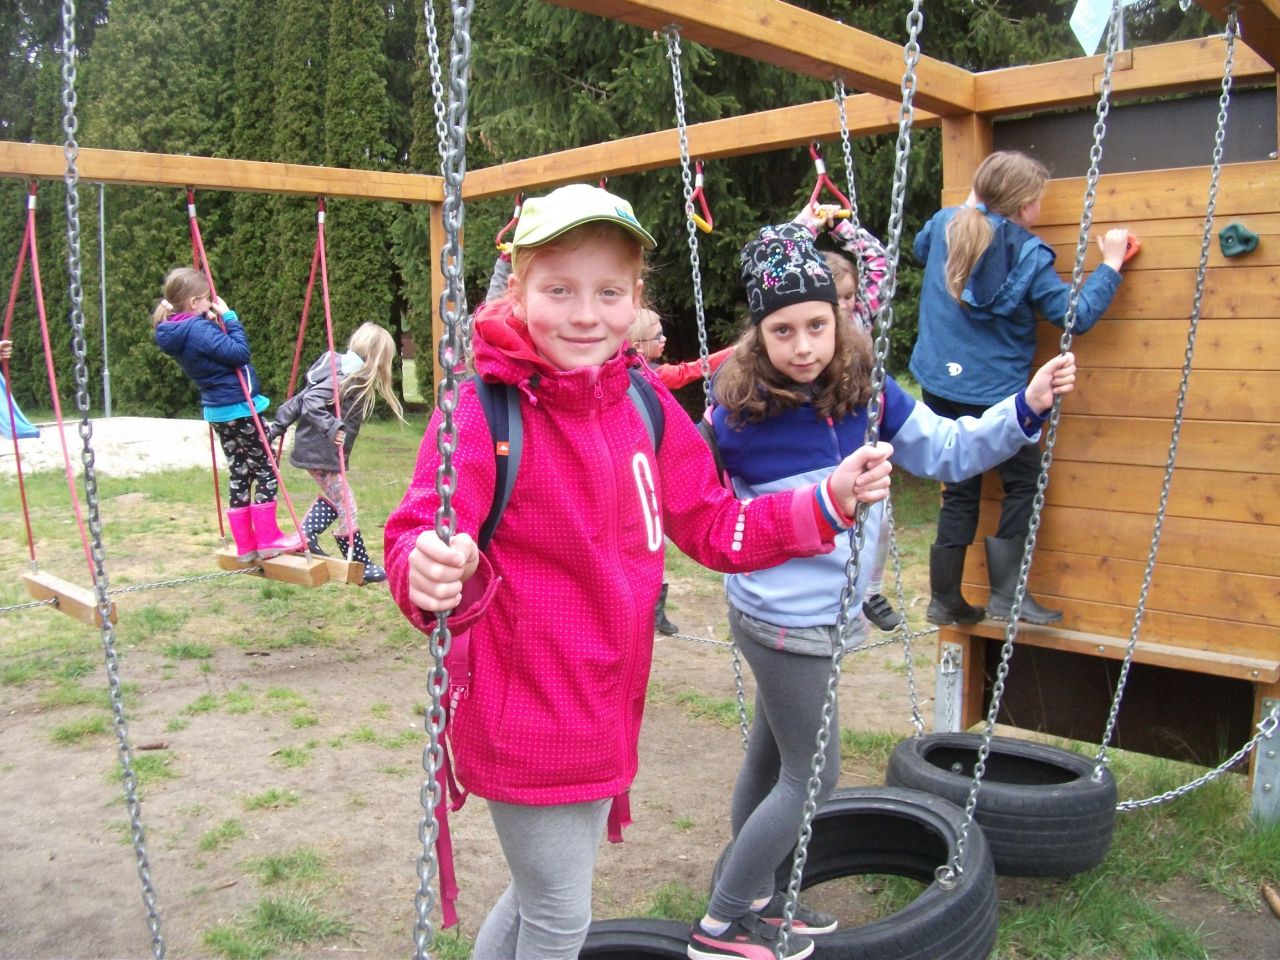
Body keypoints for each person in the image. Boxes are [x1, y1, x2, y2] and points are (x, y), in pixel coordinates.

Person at [383, 183, 893, 960]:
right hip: (528, 712)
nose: (586, 315)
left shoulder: (641, 402)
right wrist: (424, 565)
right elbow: (421, 524)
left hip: (605, 706)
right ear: (518, 291)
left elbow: (716, 525)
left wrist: (825, 500)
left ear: (635, 297)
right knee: (559, 914)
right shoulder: (483, 410)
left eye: (608, 292)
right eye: (559, 290)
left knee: (537, 895)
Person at [693, 221, 1079, 960]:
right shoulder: (738, 416)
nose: (803, 346)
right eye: (782, 331)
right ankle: (723, 921)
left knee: (772, 762)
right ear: (757, 337)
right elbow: (698, 504)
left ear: (839, 318)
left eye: (816, 325)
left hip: (816, 615)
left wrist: (1025, 405)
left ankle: (760, 898)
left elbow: (950, 450)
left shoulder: (866, 395)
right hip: (784, 619)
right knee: (813, 776)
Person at [910, 150, 1131, 625]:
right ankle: (1007, 596)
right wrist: (1111, 265)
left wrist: (972, 203)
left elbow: (921, 249)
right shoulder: (1028, 254)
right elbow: (1076, 316)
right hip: (996, 393)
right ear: (1026, 205)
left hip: (939, 381)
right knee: (1024, 483)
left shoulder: (947, 224)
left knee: (960, 488)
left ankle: (944, 598)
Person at [152, 267, 302, 561]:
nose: (211, 304)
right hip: (239, 406)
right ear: (194, 302)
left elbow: (208, 349)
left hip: (218, 411)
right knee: (266, 468)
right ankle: (269, 538)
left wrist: (209, 323)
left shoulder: (177, 330)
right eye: (207, 299)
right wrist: (230, 318)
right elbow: (239, 353)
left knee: (240, 471)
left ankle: (245, 544)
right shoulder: (199, 330)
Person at [802, 202, 904, 633]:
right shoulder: (809, 330)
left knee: (879, 520)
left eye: (849, 296)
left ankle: (871, 593)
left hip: (858, 423)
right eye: (837, 298)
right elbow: (780, 264)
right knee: (828, 514)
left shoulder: (860, 316)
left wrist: (841, 228)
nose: (845, 305)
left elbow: (880, 264)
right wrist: (807, 229)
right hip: (818, 431)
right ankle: (826, 592)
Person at [267, 322, 405, 584]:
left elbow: (301, 398)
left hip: (320, 452)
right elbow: (310, 400)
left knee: (339, 498)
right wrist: (331, 427)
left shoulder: (342, 371)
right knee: (346, 502)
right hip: (320, 453)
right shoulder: (344, 377)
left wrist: (277, 427)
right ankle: (357, 560)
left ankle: (307, 537)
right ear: (377, 358)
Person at [626, 307, 733, 637]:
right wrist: (734, 352)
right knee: (649, 537)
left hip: (642, 466)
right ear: (638, 346)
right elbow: (690, 371)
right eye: (657, 336)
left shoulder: (641, 372)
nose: (664, 339)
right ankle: (651, 607)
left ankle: (653, 606)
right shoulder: (646, 374)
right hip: (641, 470)